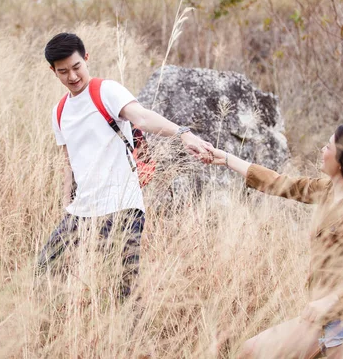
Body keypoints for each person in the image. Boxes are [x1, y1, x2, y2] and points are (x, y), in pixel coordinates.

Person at [37, 32, 213, 299]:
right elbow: (69, 161)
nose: (72, 77)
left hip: (122, 205)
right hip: (83, 209)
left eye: (76, 67)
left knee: (124, 286)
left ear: (86, 59)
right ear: (53, 71)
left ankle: (132, 338)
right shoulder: (59, 111)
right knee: (46, 266)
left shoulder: (106, 91)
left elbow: (141, 117)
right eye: (63, 72)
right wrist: (66, 205)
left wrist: (184, 133)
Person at [207, 123, 343, 359]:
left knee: (253, 351)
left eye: (328, 146)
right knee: (251, 350)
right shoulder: (330, 190)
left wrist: (332, 299)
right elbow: (283, 183)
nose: (322, 150)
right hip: (323, 319)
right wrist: (226, 158)